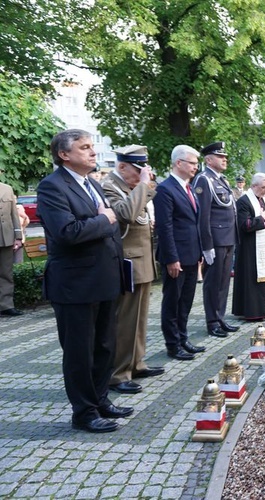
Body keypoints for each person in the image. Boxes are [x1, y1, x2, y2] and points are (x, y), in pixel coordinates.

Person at [37, 129, 129, 433]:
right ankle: (84, 412)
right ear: (64, 155)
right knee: (79, 351)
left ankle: (101, 400)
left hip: (104, 279)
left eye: (93, 147)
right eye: (85, 147)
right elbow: (67, 232)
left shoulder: (91, 183)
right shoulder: (52, 187)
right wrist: (104, 220)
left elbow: (108, 226)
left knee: (104, 346)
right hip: (75, 285)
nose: (92, 152)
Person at [103, 145, 164, 395]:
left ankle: (136, 363)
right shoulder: (110, 186)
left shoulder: (130, 186)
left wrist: (141, 185)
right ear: (122, 166)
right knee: (125, 321)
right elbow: (127, 214)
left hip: (141, 260)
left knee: (139, 319)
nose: (142, 176)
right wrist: (142, 185)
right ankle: (118, 374)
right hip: (127, 261)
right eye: (137, 171)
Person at [153, 145, 206, 361]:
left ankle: (183, 338)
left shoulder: (188, 187)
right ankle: (173, 345)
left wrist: (199, 251)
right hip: (176, 257)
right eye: (192, 163)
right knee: (172, 302)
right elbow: (164, 228)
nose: (196, 167)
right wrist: (172, 258)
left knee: (185, 301)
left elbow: (193, 223)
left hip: (192, 254)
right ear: (179, 163)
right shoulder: (165, 189)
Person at [193, 141, 239, 339]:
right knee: (213, 283)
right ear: (209, 159)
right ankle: (212, 321)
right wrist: (207, 245)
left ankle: (220, 317)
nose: (225, 159)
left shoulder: (221, 180)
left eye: (225, 156)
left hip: (228, 238)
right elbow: (203, 215)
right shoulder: (204, 180)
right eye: (220, 156)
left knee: (223, 282)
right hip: (216, 240)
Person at [232, 173, 265, 321]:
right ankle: (253, 312)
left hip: (261, 248)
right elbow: (244, 225)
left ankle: (264, 310)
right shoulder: (244, 202)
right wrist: (261, 219)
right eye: (263, 187)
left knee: (262, 280)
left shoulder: (262, 200)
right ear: (254, 186)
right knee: (251, 281)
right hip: (249, 249)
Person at [0, 181, 23, 316]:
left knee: (6, 274)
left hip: (6, 237)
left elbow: (14, 214)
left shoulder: (7, 189)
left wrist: (18, 236)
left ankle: (6, 306)